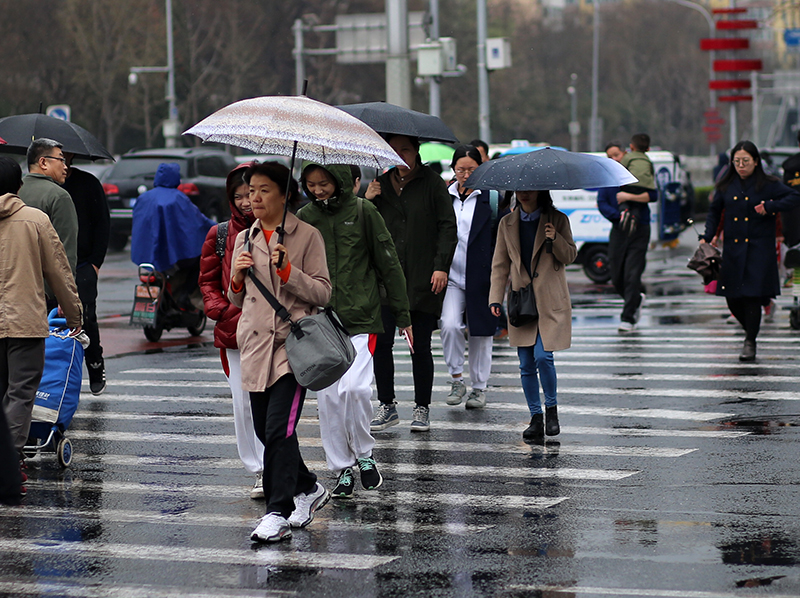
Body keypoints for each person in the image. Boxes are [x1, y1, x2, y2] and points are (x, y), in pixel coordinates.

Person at [229, 162, 332, 543]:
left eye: (263, 190)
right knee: (264, 430)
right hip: (255, 347)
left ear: (285, 194)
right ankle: (308, 486)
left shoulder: (307, 236)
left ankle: (278, 511)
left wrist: (289, 271)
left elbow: (322, 293)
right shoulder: (245, 238)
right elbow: (236, 298)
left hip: (291, 348)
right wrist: (236, 279)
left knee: (279, 429)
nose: (253, 198)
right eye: (250, 190)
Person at [297, 162, 411, 499]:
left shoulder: (364, 211)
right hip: (322, 323)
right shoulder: (304, 217)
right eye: (311, 184)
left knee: (356, 390)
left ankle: (364, 454)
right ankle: (341, 468)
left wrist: (403, 316)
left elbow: (388, 262)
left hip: (363, 317)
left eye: (324, 183)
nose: (318, 190)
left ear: (340, 181)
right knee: (329, 399)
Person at [0, 156, 82, 495]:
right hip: (26, 323)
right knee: (20, 391)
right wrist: (75, 316)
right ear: (19, 186)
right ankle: (11, 461)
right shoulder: (35, 220)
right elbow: (59, 273)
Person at [366, 134, 457, 432]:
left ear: (417, 151)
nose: (400, 155)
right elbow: (365, 228)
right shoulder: (380, 183)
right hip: (386, 279)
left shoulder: (432, 183)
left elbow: (447, 226)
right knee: (381, 344)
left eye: (405, 149)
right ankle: (387, 405)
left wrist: (441, 267)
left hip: (422, 278)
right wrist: (367, 201)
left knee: (420, 347)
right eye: (394, 150)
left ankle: (422, 408)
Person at [489, 189, 576, 444]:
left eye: (529, 189)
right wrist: (495, 297)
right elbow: (500, 263)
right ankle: (535, 418)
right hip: (521, 301)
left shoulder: (557, 219)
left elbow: (570, 255)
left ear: (540, 191)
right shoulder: (507, 223)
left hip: (550, 300)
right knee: (526, 363)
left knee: (543, 356)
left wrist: (555, 238)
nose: (524, 194)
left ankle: (551, 410)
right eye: (520, 190)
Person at [199, 162, 264, 500]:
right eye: (238, 196)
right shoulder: (220, 234)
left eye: (251, 193)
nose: (245, 201)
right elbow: (207, 281)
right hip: (234, 333)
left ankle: (279, 465)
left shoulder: (282, 231)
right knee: (244, 404)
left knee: (274, 405)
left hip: (273, 333)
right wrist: (221, 309)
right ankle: (260, 470)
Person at [702, 141, 800, 361]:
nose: (741, 166)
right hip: (734, 250)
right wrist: (707, 236)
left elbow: (794, 197)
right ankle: (751, 330)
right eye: (736, 162)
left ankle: (750, 342)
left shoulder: (768, 184)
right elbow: (714, 212)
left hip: (759, 249)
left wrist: (770, 206)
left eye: (745, 161)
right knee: (732, 298)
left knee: (752, 297)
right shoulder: (726, 185)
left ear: (756, 162)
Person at [441, 145, 498, 409]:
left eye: (471, 169)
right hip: (451, 276)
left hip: (482, 276)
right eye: (460, 169)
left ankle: (479, 387)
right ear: (453, 169)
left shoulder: (491, 198)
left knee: (481, 334)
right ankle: (456, 378)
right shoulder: (445, 197)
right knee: (450, 325)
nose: (465, 175)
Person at [130, 162, 215, 309]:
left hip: (148, 255)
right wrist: (217, 228)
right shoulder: (179, 198)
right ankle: (185, 295)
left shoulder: (144, 198)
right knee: (200, 262)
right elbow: (197, 221)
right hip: (176, 257)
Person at [62, 154, 110, 395]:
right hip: (50, 264)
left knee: (86, 317)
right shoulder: (40, 186)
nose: (62, 161)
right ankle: (60, 375)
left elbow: (103, 222)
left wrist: (95, 263)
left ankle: (94, 363)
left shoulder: (88, 183)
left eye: (64, 156)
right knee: (53, 319)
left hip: (83, 264)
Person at [597, 140, 656, 333]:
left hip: (639, 229)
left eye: (616, 154)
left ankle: (628, 317)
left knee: (633, 274)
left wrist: (629, 198)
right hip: (618, 229)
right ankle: (635, 300)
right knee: (616, 274)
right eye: (610, 156)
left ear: (625, 153)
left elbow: (653, 195)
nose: (614, 159)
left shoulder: (636, 173)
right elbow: (602, 202)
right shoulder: (607, 177)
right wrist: (617, 216)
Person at [18, 138, 78, 284]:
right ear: (43, 162)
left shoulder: (14, 190)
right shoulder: (59, 196)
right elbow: (65, 249)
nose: (65, 167)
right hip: (46, 289)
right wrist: (67, 293)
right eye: (61, 160)